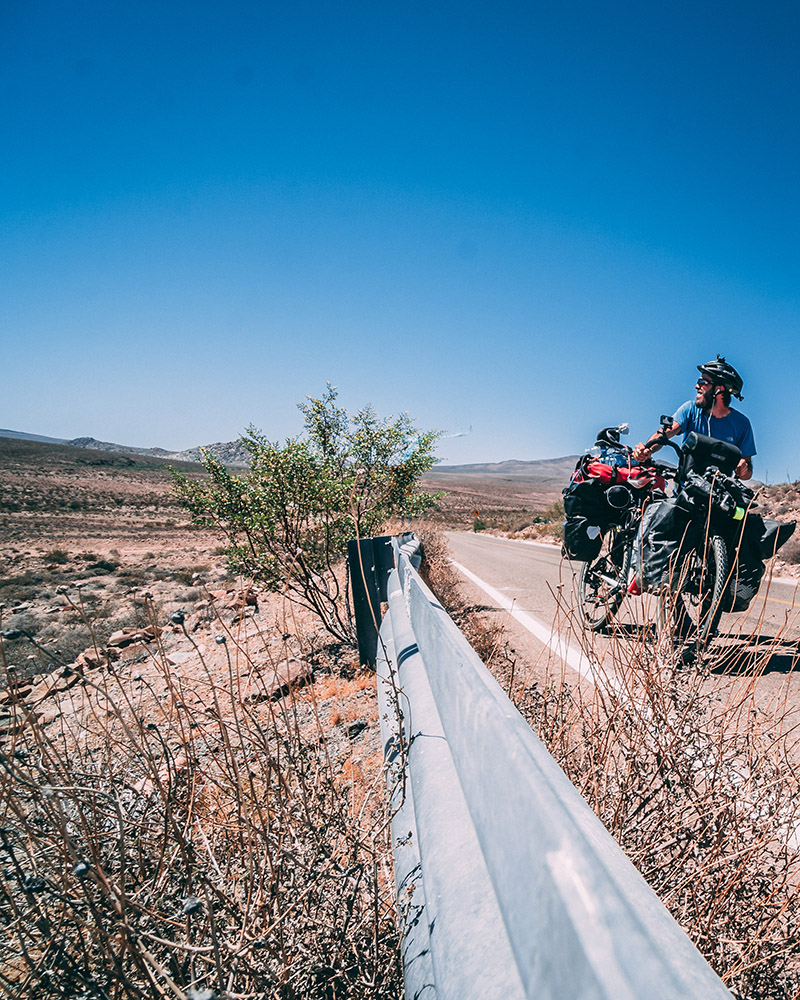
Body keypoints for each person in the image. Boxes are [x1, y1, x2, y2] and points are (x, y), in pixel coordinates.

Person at [633, 355, 755, 480]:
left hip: (719, 490)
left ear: (718, 389)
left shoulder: (742, 424)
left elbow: (747, 471)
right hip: (686, 487)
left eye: (702, 382)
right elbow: (663, 435)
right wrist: (646, 450)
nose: (697, 386)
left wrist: (743, 469)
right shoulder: (690, 409)